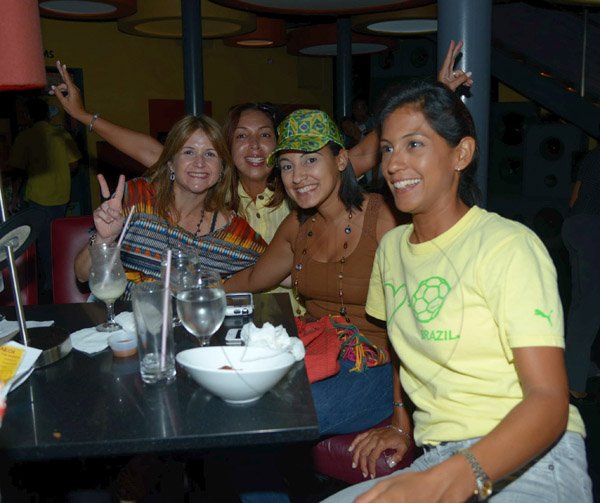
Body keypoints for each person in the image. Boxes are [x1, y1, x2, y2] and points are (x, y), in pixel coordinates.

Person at [324, 80, 591, 502]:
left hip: (535, 456)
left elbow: (549, 400)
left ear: (461, 154)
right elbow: (399, 346)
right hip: (441, 455)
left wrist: (451, 477)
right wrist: (400, 424)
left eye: (415, 145)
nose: (394, 164)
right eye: (389, 149)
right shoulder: (392, 248)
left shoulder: (508, 245)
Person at [224, 108, 405, 435]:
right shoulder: (297, 225)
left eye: (310, 160)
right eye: (287, 166)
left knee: (261, 418)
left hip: (377, 367)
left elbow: (412, 327)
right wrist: (196, 294)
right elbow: (253, 279)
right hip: (313, 352)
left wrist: (401, 422)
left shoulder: (383, 219)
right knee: (234, 404)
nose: (297, 176)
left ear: (340, 160)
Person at [74, 114, 266, 300]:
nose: (200, 163)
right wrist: (103, 239)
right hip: (121, 322)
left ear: (222, 169)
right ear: (171, 164)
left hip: (184, 327)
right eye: (188, 152)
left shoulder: (233, 232)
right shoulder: (137, 198)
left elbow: (276, 266)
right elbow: (81, 274)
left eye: (210, 154)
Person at [7, 97, 81, 293]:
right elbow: (74, 165)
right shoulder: (61, 134)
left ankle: (50, 288)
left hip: (38, 198)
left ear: (29, 115)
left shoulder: (26, 137)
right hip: (61, 196)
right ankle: (61, 283)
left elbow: (17, 169)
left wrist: (14, 195)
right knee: (58, 242)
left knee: (41, 247)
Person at [562, 143, 600, 402]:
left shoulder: (592, 156)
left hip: (575, 226)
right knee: (588, 308)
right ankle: (574, 382)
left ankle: (584, 368)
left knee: (581, 304)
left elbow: (574, 198)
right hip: (594, 229)